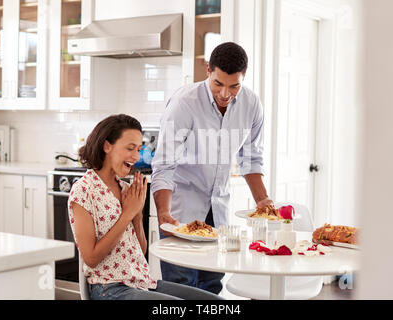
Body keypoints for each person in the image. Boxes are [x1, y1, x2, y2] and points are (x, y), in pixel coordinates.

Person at [151, 42, 274, 294]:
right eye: (218, 84)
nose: (225, 94)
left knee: (211, 286)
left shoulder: (251, 105)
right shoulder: (184, 103)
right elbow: (164, 164)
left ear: (244, 77)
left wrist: (262, 200)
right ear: (208, 70)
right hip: (180, 212)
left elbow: (251, 158)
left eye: (234, 85)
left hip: (218, 212)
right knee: (180, 288)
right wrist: (163, 212)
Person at [68, 114, 223, 300]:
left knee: (215, 303)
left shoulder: (126, 189)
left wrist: (137, 216)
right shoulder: (84, 190)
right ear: (107, 146)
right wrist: (127, 214)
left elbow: (139, 251)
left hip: (143, 283)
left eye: (139, 149)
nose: (136, 156)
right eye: (130, 148)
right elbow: (91, 258)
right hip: (109, 288)